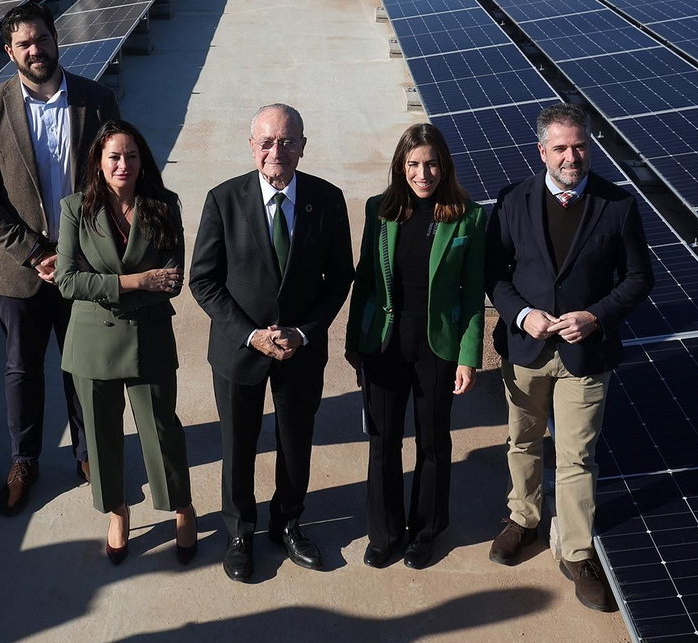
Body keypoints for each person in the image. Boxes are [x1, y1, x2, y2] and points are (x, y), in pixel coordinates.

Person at [485, 102, 653, 613]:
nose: (571, 156)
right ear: (542, 151)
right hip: (526, 350)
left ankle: (577, 552)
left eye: (579, 145)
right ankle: (525, 519)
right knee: (523, 439)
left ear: (589, 146)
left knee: (578, 456)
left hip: (586, 354)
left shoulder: (617, 205)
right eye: (559, 147)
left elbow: (639, 278)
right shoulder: (513, 199)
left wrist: (596, 316)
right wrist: (520, 315)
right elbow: (495, 273)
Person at [0, 2, 122, 516]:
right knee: (21, 369)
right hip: (18, 269)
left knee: (84, 367)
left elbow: (116, 179)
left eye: (42, 39)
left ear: (57, 40)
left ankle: (88, 453)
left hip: (85, 266)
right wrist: (33, 251)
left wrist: (81, 251)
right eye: (24, 44)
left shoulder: (96, 101)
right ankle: (24, 459)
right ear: (10, 53)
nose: (36, 50)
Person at [189, 104, 355, 583]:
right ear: (251, 146)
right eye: (266, 142)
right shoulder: (223, 200)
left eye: (286, 141)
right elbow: (204, 281)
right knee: (237, 445)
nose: (275, 152)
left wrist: (303, 332)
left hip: (300, 352)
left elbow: (338, 277)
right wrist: (250, 334)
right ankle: (240, 531)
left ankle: (287, 523)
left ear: (303, 145)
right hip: (239, 352)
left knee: (295, 443)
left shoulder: (327, 199)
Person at [55, 120, 198, 566]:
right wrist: (136, 281)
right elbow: (65, 280)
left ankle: (181, 508)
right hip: (91, 347)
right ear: (98, 162)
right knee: (100, 436)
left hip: (149, 339)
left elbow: (172, 281)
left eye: (131, 156)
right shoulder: (75, 208)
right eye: (114, 156)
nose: (123, 164)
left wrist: (105, 285)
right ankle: (117, 512)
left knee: (161, 431)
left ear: (142, 160)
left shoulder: (164, 205)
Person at [346, 123, 486, 571]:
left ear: (443, 165)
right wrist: (355, 344)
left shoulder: (469, 216)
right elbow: (365, 279)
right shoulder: (380, 211)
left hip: (437, 347)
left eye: (430, 163)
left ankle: (425, 532)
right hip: (385, 345)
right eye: (412, 164)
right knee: (382, 441)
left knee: (432, 442)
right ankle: (384, 533)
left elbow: (472, 293)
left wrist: (468, 356)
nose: (422, 173)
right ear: (400, 167)